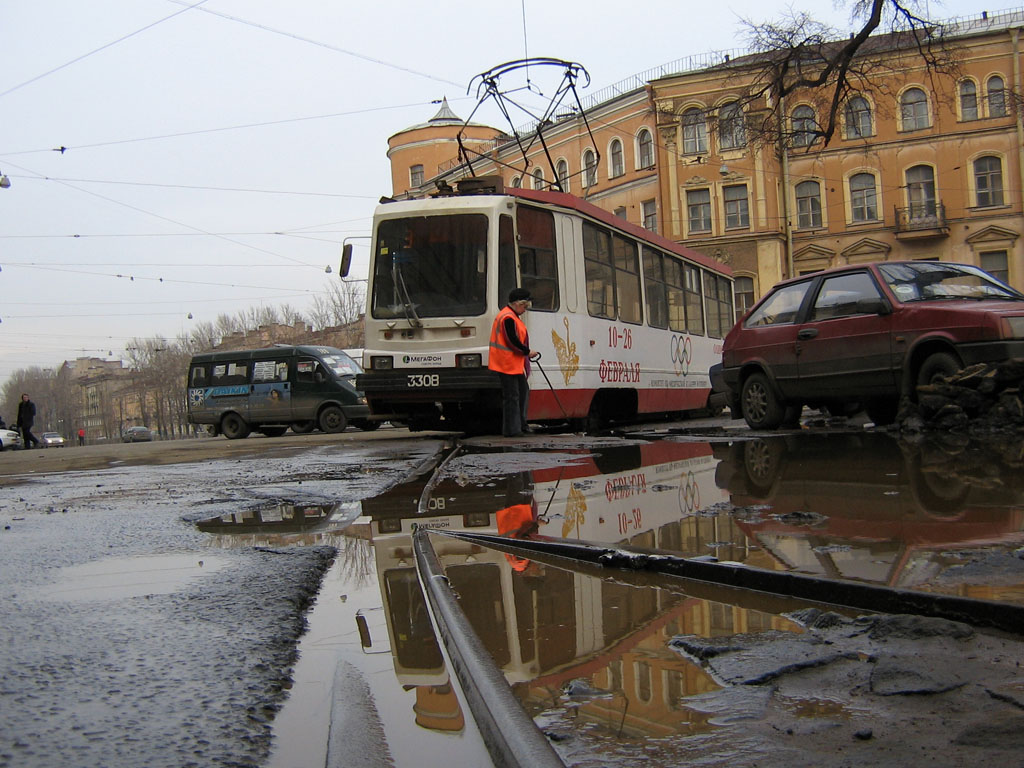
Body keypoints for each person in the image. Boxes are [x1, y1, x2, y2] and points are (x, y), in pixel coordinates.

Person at [488, 287, 534, 437]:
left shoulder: (510, 316)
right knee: (512, 397)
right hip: (506, 363)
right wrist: (527, 352)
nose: (525, 309)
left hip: (512, 363)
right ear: (517, 304)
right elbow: (512, 341)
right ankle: (513, 430)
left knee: (521, 392)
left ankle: (521, 425)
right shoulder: (508, 317)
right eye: (525, 306)